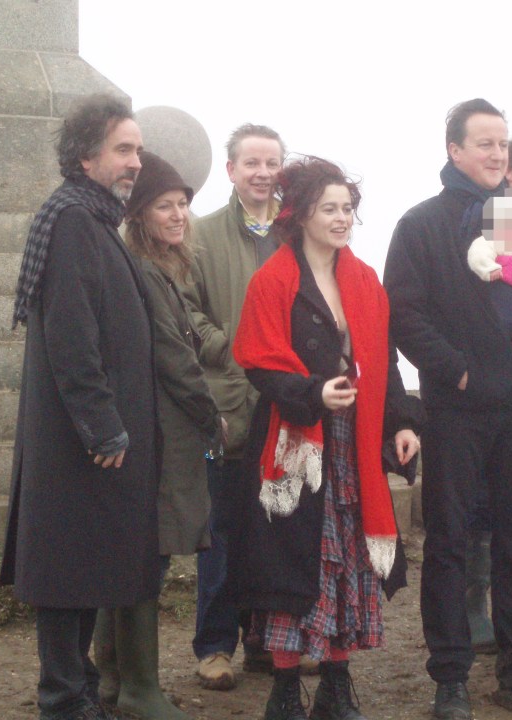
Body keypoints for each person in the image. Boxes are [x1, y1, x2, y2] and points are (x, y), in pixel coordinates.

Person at [384, 99, 512, 720]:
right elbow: (404, 314)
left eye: (503, 144)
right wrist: (456, 371)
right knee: (449, 544)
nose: (497, 155)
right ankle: (451, 679)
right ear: (453, 150)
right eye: (485, 144)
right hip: (458, 412)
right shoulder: (422, 224)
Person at [230, 156, 423, 720]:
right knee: (297, 561)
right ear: (300, 214)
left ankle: (337, 685)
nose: (342, 219)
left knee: (348, 560)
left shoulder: (363, 280)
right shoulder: (275, 279)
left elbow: (381, 361)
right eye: (329, 209)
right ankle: (286, 691)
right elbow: (259, 363)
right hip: (295, 444)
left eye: (348, 209)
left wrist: (402, 422)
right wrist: (314, 394)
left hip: (354, 441)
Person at [0, 94, 157, 720]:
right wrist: (102, 426)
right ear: (85, 156)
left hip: (88, 438)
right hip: (77, 441)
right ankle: (64, 700)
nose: (135, 161)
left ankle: (78, 693)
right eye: (124, 149)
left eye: (138, 149)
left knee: (85, 568)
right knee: (67, 577)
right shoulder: (70, 223)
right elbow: (71, 335)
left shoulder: (90, 219)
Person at [87, 151, 225, 720]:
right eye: (165, 206)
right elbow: (173, 354)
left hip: (156, 429)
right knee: (146, 556)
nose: (178, 216)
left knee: (137, 552)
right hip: (160, 432)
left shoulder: (161, 265)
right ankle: (138, 687)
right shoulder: (144, 269)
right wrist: (209, 411)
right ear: (140, 214)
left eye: (184, 205)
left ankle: (113, 678)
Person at [182, 124, 297, 690]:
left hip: (286, 407)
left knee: (276, 530)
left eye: (271, 162)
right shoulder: (198, 237)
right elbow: (184, 310)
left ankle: (266, 641)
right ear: (230, 170)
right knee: (222, 532)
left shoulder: (297, 234)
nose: (262, 172)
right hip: (227, 404)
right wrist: (226, 344)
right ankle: (214, 646)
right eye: (251, 162)